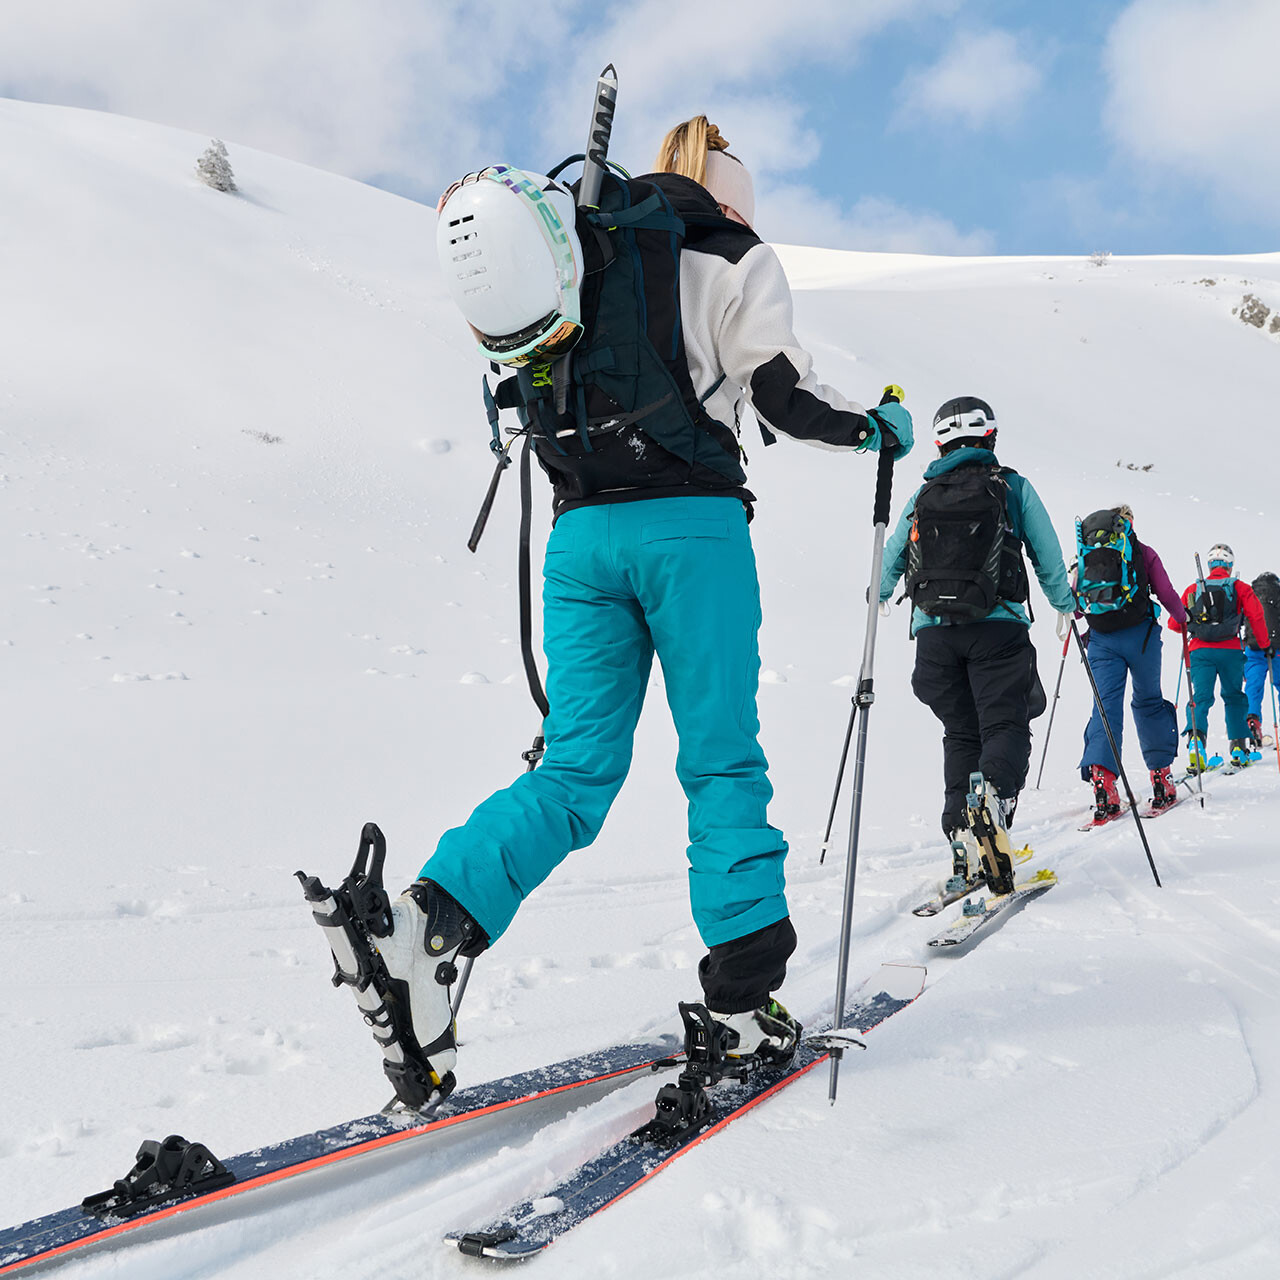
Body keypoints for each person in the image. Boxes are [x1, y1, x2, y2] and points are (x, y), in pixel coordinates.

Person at [340, 116, 915, 1096]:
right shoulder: (732, 252)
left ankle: (422, 921)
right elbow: (779, 395)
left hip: (579, 539)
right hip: (689, 531)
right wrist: (876, 426)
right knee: (719, 757)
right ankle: (739, 1003)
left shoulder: (582, 258)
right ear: (733, 194)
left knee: (572, 771)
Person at [880, 397, 1074, 895]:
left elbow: (895, 554)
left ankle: (962, 837)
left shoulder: (925, 493)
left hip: (934, 638)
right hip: (998, 631)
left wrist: (878, 595)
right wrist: (1064, 604)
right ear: (990, 438)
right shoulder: (1011, 487)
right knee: (1005, 724)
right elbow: (1046, 554)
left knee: (961, 733)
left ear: (940, 442)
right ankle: (993, 799)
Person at [1074, 506, 1187, 818]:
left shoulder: (1088, 554)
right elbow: (1165, 592)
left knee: (1105, 708)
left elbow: (1076, 606)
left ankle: (1103, 782)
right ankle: (1162, 780)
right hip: (1142, 639)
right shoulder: (1142, 552)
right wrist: (1183, 617)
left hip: (1101, 641)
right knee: (1148, 702)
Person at [1169, 543, 1271, 769]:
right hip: (1231, 651)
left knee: (1201, 697)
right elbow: (1256, 616)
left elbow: (1174, 624)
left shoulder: (1193, 589)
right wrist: (1263, 644)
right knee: (1234, 696)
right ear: (1229, 564)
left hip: (1199, 651)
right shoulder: (1240, 587)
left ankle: (1196, 742)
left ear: (1210, 564)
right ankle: (1238, 747)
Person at [1244, 571, 1280, 749]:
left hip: (1253, 646)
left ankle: (1253, 720)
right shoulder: (1278, 593)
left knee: (1253, 685)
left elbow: (1242, 619)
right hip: (1277, 648)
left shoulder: (1251, 594)